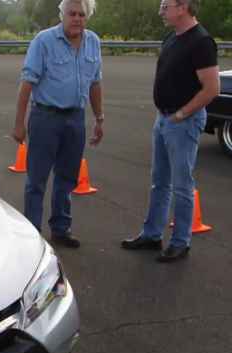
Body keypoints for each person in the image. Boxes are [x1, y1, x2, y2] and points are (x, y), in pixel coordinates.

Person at [121, 0, 220, 262]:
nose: (161, 11)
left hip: (182, 121)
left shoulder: (201, 42)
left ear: (184, 6)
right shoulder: (172, 36)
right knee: (160, 181)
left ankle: (180, 242)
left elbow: (212, 88)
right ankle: (152, 235)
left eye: (166, 5)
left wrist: (181, 113)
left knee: (181, 185)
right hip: (164, 119)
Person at [13, 0, 104, 249]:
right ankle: (33, 232)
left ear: (88, 17)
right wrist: (19, 123)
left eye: (82, 15)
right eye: (72, 14)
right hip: (46, 119)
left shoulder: (93, 42)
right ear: (62, 14)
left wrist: (99, 118)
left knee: (67, 178)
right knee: (37, 180)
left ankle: (61, 228)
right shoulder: (44, 41)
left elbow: (95, 83)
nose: (77, 19)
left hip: (76, 119)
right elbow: (27, 82)